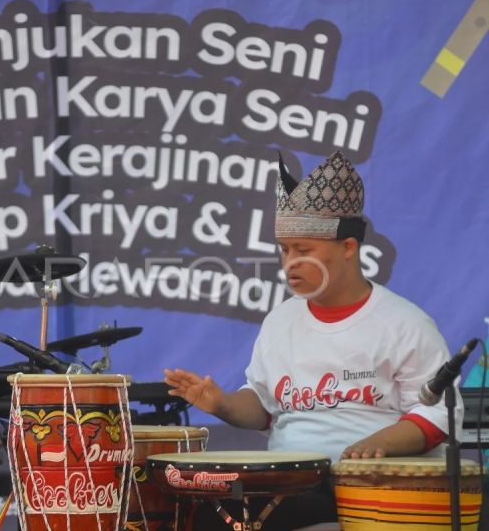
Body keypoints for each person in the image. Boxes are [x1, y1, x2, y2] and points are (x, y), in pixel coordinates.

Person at [164, 151, 462, 529]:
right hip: (290, 484)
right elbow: (263, 407)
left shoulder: (405, 324)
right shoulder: (280, 321)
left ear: (348, 247)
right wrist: (222, 404)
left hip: (370, 489)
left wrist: (383, 442)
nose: (289, 263)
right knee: (205, 519)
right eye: (285, 250)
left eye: (303, 251)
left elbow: (438, 413)